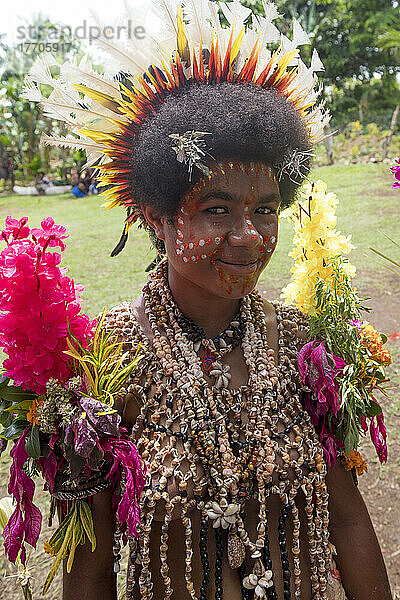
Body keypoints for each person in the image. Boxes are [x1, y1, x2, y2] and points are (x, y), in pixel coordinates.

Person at [25, 2, 393, 599]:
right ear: (156, 214)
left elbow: (348, 517)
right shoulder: (106, 368)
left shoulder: (303, 352)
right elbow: (89, 568)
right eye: (217, 209)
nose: (249, 237)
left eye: (266, 209)